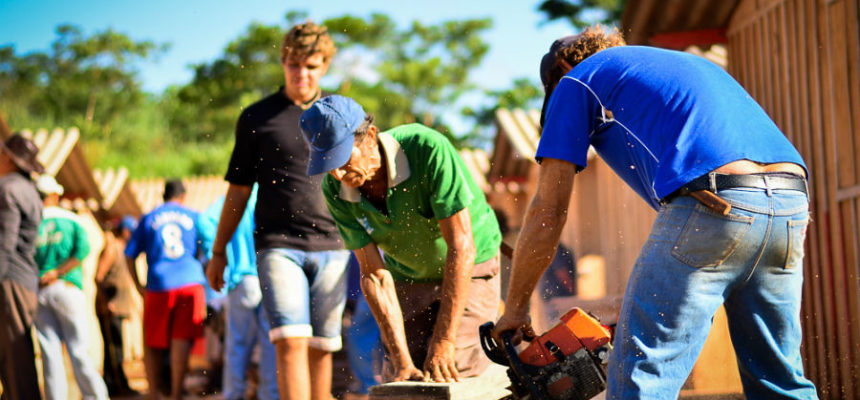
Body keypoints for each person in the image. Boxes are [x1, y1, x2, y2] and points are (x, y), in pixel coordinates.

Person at [492, 26, 819, 399]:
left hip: (713, 200)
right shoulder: (673, 65)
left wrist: (515, 310)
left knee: (642, 376)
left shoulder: (576, 80)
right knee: (777, 376)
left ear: (564, 66)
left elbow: (548, 212)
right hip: (790, 203)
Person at [299, 95, 503, 383]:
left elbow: (462, 246)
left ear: (370, 136)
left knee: (451, 365)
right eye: (328, 163)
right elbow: (375, 275)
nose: (337, 173)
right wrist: (401, 359)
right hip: (408, 274)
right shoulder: (335, 190)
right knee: (401, 378)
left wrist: (445, 340)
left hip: (472, 264)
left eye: (342, 158)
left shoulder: (426, 148)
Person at [205, 21, 350, 400]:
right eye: (293, 64)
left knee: (323, 346)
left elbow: (358, 179)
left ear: (325, 66)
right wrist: (219, 252)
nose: (302, 73)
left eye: (312, 65)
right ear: (283, 63)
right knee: (289, 341)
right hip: (277, 245)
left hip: (334, 245)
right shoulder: (256, 118)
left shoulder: (339, 114)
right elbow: (237, 192)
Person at [126, 179, 207, 400]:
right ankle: (175, 393)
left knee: (152, 341)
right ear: (182, 196)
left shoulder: (149, 217)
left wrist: (139, 286)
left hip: (158, 284)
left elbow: (129, 254)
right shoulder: (194, 217)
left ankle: (152, 393)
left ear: (164, 195)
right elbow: (207, 249)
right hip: (190, 282)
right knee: (180, 339)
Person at [198, 184, 279, 400]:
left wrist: (218, 255)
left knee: (238, 344)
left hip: (243, 279)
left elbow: (204, 222)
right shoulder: (270, 194)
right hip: (272, 277)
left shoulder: (239, 196)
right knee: (270, 343)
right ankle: (269, 394)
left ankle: (234, 394)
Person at [34, 175, 110, 400]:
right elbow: (82, 251)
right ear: (55, 195)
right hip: (67, 288)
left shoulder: (32, 222)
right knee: (79, 350)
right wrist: (58, 272)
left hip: (40, 291)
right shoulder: (71, 220)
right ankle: (96, 397)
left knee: (50, 354)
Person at [0, 133, 44, 400]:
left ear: (9, 158)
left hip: (9, 281)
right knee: (13, 359)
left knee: (16, 365)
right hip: (24, 282)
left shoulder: (7, 189)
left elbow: (4, 243)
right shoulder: (30, 191)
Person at [94, 215, 140, 397]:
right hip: (110, 307)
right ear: (125, 231)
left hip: (117, 306)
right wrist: (106, 303)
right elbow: (98, 276)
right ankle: (117, 387)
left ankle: (115, 385)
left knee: (116, 347)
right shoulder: (113, 248)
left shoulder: (124, 249)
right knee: (115, 349)